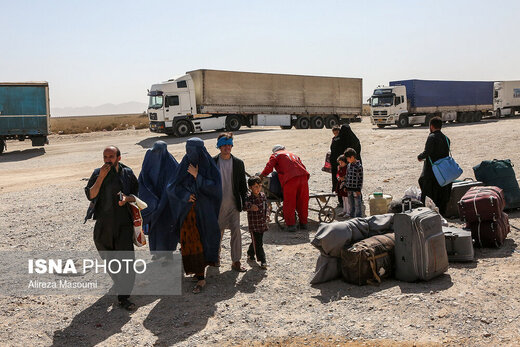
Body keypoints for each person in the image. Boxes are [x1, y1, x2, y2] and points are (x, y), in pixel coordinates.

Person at [84, 146, 138, 311]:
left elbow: (136, 196)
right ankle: (119, 282)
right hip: (103, 223)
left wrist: (126, 199)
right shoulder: (97, 173)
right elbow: (91, 195)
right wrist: (100, 177)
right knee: (108, 257)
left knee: (126, 261)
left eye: (111, 156)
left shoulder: (127, 173)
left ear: (119, 158)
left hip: (123, 223)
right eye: (105, 156)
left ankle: (124, 297)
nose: (108, 160)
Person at [168, 138, 222, 294]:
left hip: (205, 212)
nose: (190, 154)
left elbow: (216, 188)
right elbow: (172, 187)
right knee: (191, 242)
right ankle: (198, 274)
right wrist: (185, 195)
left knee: (205, 239)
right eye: (187, 150)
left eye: (193, 150)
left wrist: (198, 176)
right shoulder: (184, 164)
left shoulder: (209, 166)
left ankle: (201, 275)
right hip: (188, 213)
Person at [213, 133, 248, 272]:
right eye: (224, 144)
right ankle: (216, 257)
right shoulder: (213, 162)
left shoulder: (238, 163)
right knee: (218, 233)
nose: (227, 147)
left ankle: (236, 261)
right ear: (219, 146)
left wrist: (245, 202)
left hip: (234, 205)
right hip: (218, 205)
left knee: (236, 232)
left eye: (229, 144)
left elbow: (242, 186)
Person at [138, 141, 179, 256]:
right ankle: (156, 253)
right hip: (153, 205)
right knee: (155, 230)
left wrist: (164, 201)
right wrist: (151, 200)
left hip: (167, 205)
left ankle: (168, 254)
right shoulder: (149, 160)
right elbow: (142, 182)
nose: (157, 154)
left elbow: (175, 184)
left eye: (160, 151)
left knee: (167, 229)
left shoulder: (171, 165)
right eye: (156, 151)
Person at [260, 145, 310, 232]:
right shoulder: (293, 154)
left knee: (289, 202)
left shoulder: (275, 155)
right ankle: (304, 223)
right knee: (302, 201)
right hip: (303, 177)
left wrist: (261, 176)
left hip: (290, 179)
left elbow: (269, 167)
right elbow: (303, 166)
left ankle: (291, 225)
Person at [417, 116, 452, 216]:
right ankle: (442, 213)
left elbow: (427, 152)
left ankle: (429, 213)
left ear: (431, 126)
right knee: (441, 192)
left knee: (428, 190)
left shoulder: (431, 137)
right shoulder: (446, 138)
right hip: (444, 171)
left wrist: (420, 157)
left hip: (432, 171)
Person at [245, 176, 269, 269]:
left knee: (256, 241)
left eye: (259, 186)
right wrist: (251, 207)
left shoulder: (263, 196)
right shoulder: (249, 198)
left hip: (262, 224)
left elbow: (266, 207)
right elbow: (244, 206)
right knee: (259, 243)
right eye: (255, 186)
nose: (258, 188)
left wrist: (267, 214)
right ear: (250, 187)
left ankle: (250, 253)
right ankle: (263, 260)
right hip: (254, 225)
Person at [344, 148, 364, 218]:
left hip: (356, 189)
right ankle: (351, 217)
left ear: (352, 157)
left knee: (357, 204)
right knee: (351, 204)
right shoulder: (349, 165)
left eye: (348, 158)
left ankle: (359, 218)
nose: (347, 160)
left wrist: (359, 189)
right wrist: (346, 186)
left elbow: (360, 179)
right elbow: (347, 176)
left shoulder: (359, 166)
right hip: (349, 189)